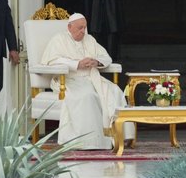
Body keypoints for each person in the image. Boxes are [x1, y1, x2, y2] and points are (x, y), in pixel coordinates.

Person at [41, 13, 133, 150]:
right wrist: (77, 63)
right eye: (80, 28)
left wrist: (96, 61)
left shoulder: (89, 40)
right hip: (69, 80)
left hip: (92, 78)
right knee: (88, 96)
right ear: (69, 27)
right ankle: (89, 142)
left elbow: (106, 57)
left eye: (84, 27)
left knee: (116, 91)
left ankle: (120, 137)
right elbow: (52, 61)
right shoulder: (59, 40)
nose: (83, 31)